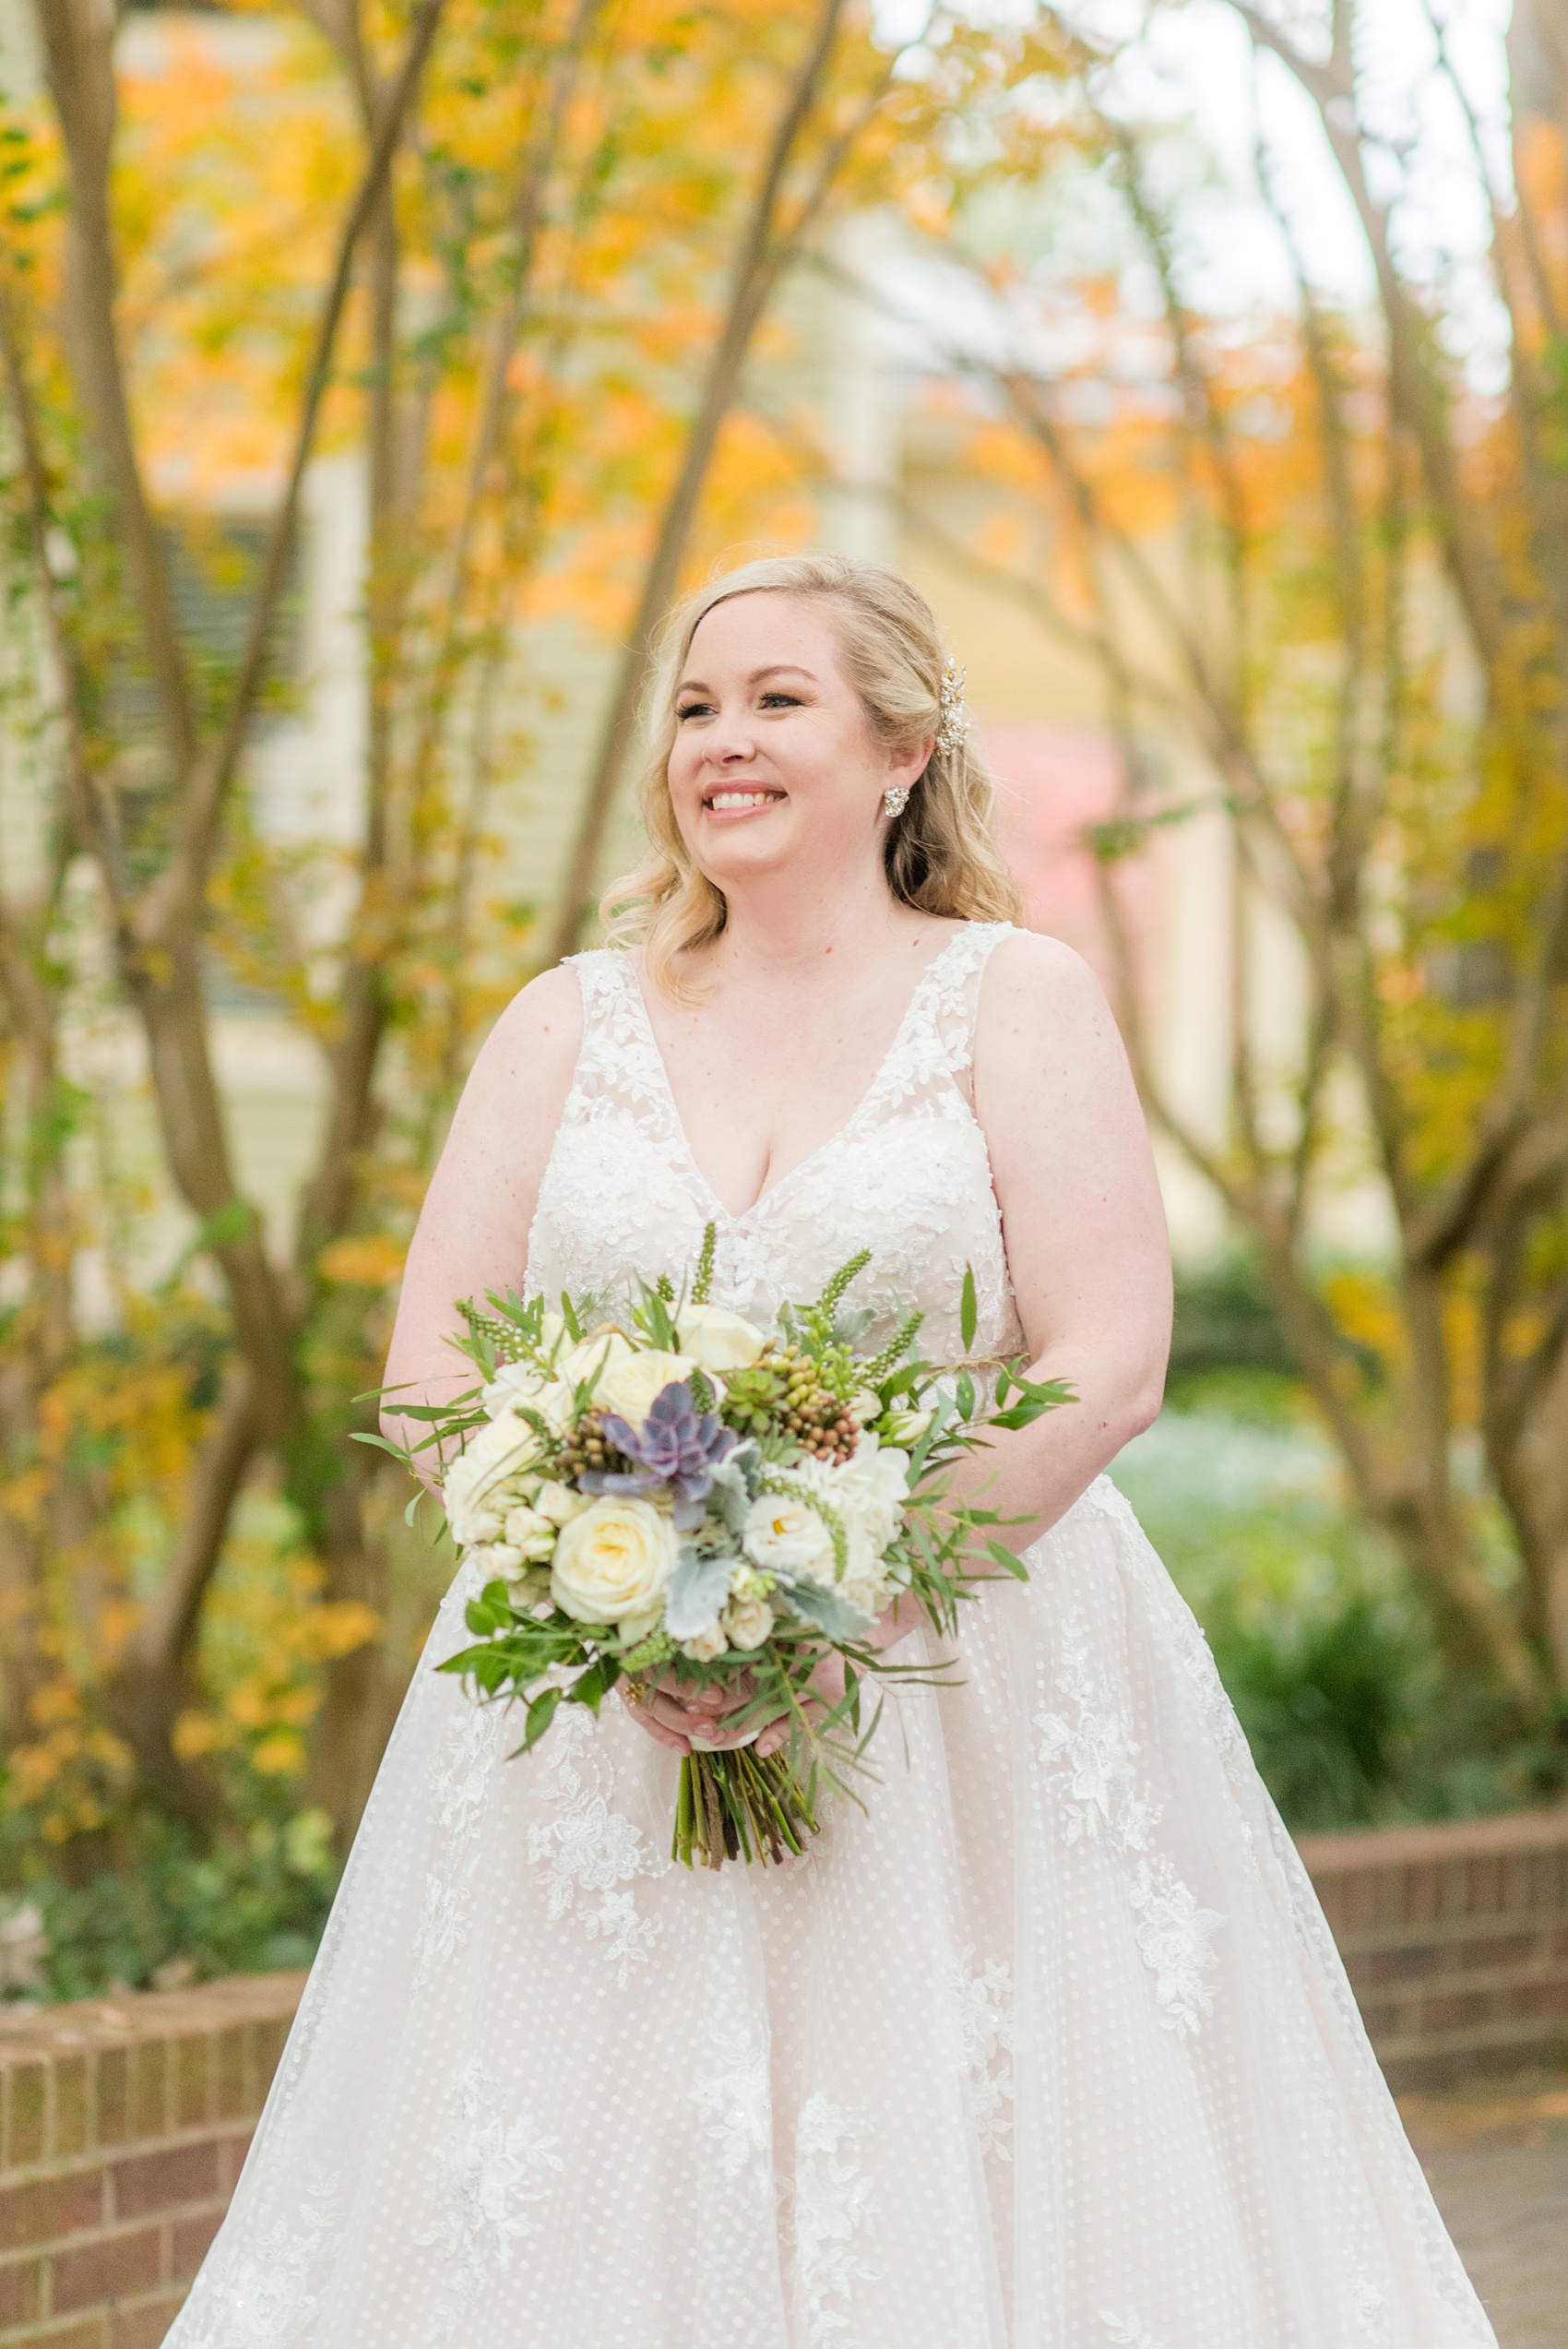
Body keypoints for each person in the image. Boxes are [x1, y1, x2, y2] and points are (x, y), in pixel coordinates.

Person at [166, 553, 1497, 2348]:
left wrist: (822, 1596)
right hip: (595, 1727)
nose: (721, 739)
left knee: (952, 2153)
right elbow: (429, 1372)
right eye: (696, 707)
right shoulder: (567, 1022)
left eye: (777, 700)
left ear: (903, 748)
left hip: (960, 1688)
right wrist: (609, 1594)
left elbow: (1105, 1362)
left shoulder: (1011, 1000)